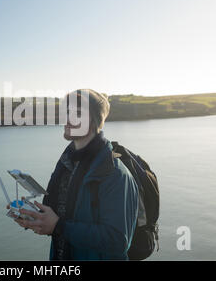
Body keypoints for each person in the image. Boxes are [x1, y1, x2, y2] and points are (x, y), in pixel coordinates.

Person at [10, 89, 139, 260]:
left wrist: (58, 226)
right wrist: (32, 217)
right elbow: (58, 218)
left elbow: (117, 241)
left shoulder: (114, 173)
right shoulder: (66, 165)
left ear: (94, 120)